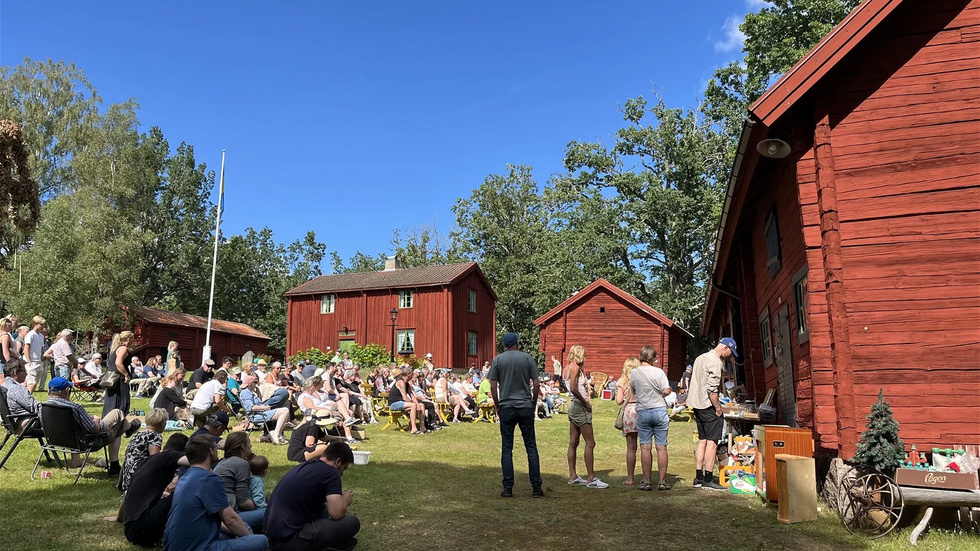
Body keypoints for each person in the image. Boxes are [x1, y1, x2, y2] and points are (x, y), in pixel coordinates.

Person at [163, 434, 268, 551]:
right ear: (211, 451)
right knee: (261, 541)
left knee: (241, 527)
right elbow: (230, 519)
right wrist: (249, 540)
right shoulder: (209, 479)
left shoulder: (185, 477)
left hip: (177, 544)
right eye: (216, 447)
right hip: (198, 546)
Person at [264, 442, 359, 551]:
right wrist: (345, 501)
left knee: (324, 510)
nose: (341, 474)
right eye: (344, 468)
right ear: (338, 462)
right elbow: (336, 513)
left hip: (273, 536)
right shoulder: (331, 472)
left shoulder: (307, 465)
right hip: (289, 539)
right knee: (352, 522)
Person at [44, 376, 141, 475]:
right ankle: (128, 429)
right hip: (89, 442)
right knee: (118, 414)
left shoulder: (43, 407)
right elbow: (95, 429)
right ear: (66, 391)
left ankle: (77, 460)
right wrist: (96, 420)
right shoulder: (74, 408)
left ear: (48, 391)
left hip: (58, 441)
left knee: (117, 424)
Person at [488, 332, 544, 499]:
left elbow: (492, 385)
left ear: (505, 345)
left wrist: (498, 405)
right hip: (525, 405)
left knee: (507, 448)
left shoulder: (498, 360)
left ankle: (508, 488)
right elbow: (536, 383)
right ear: (516, 343)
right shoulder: (527, 358)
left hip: (506, 406)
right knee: (531, 447)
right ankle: (536, 487)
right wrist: (533, 402)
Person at [121, 433, 189, 547]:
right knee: (185, 491)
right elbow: (196, 462)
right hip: (143, 530)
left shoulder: (148, 461)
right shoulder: (169, 456)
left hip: (131, 529)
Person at [690, 337, 737, 491]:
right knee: (712, 442)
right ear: (726, 348)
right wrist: (718, 407)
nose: (730, 356)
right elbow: (712, 390)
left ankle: (698, 477)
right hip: (708, 405)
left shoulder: (700, 358)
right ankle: (709, 479)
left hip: (696, 404)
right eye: (731, 353)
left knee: (702, 440)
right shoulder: (715, 361)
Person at [565, 345, 607, 489]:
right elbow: (573, 388)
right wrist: (586, 402)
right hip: (579, 406)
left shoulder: (566, 368)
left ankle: (573, 476)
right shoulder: (575, 368)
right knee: (590, 442)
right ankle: (591, 479)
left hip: (573, 406)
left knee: (573, 442)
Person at [631, 346, 672, 491]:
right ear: (652, 358)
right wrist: (667, 392)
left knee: (645, 447)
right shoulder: (659, 372)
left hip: (643, 410)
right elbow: (666, 390)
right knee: (661, 447)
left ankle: (647, 481)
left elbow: (634, 391)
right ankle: (662, 481)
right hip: (659, 410)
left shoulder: (634, 373)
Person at [214, 432, 266, 533]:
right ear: (242, 446)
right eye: (249, 443)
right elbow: (244, 503)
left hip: (220, 515)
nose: (251, 446)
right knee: (274, 510)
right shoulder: (240, 463)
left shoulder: (225, 461)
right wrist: (262, 505)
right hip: (232, 515)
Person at [119, 408, 168, 492]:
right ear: (161, 423)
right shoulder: (155, 436)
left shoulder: (138, 434)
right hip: (139, 481)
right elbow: (154, 461)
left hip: (128, 479)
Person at [240, 375, 289, 445]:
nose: (256, 385)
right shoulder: (246, 393)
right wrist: (265, 408)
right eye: (255, 383)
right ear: (250, 384)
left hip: (260, 413)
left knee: (284, 410)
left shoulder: (249, 392)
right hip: (256, 415)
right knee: (285, 411)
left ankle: (278, 434)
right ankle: (277, 433)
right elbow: (251, 408)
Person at [614, 357, 640, 486]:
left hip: (629, 412)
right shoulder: (641, 380)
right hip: (642, 411)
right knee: (646, 446)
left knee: (631, 448)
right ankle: (647, 477)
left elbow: (619, 401)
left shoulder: (622, 381)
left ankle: (630, 478)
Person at [104, 331, 134, 416]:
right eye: (133, 339)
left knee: (111, 402)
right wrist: (126, 375)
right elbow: (118, 363)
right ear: (128, 339)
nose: (133, 341)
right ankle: (118, 421)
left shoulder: (115, 348)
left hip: (112, 380)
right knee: (122, 402)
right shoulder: (123, 349)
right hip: (119, 380)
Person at [22, 316, 47, 393]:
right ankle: (27, 400)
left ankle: (27, 397)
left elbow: (41, 349)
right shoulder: (30, 335)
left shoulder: (41, 336)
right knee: (31, 382)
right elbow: (26, 349)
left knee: (35, 382)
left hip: (38, 361)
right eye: (41, 324)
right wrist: (29, 362)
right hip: (31, 361)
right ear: (36, 324)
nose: (43, 326)